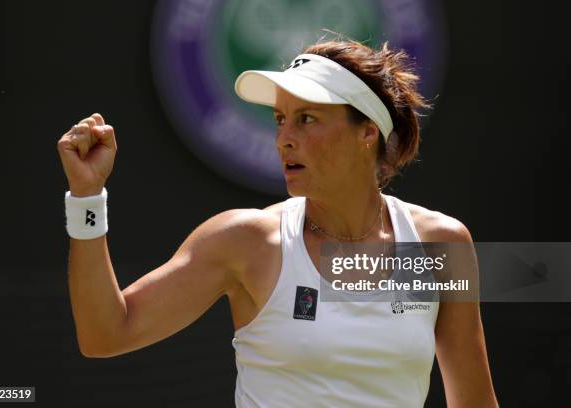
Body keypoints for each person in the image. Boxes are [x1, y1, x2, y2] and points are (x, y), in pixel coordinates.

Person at [57, 37, 499, 407]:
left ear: (367, 132)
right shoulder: (246, 241)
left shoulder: (439, 246)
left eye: (307, 119)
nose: (285, 138)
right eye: (281, 119)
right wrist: (86, 198)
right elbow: (105, 334)